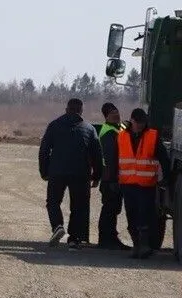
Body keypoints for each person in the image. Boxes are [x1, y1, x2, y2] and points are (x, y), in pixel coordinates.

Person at [110, 108, 174, 259]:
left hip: (146, 185)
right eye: (137, 122)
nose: (140, 125)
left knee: (145, 215)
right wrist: (113, 179)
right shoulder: (121, 136)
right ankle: (137, 245)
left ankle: (145, 245)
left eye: (143, 123)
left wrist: (167, 177)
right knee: (131, 215)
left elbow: (163, 159)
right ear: (132, 121)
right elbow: (114, 160)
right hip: (128, 184)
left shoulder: (152, 136)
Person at [37, 97, 101, 246]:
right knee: (79, 205)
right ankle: (74, 238)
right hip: (81, 173)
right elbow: (97, 154)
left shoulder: (54, 125)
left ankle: (57, 226)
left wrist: (44, 171)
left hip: (57, 171)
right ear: (81, 111)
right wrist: (97, 175)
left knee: (53, 201)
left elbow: (44, 150)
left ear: (67, 110)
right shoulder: (89, 129)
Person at [94, 102, 127, 250]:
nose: (116, 115)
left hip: (114, 177)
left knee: (114, 209)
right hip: (110, 178)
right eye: (113, 113)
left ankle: (111, 238)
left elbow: (126, 130)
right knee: (109, 209)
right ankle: (106, 239)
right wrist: (114, 179)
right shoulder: (108, 132)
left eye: (117, 112)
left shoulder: (118, 128)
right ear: (106, 116)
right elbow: (111, 158)